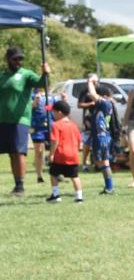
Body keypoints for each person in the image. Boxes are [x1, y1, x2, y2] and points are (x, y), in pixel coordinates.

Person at [1, 45, 50, 195]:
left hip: (20, 120)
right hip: (3, 120)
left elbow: (42, 83)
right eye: (16, 59)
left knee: (19, 152)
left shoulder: (26, 75)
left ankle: (21, 186)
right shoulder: (2, 76)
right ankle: (16, 185)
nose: (19, 61)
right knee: (11, 153)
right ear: (8, 59)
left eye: (21, 59)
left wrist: (45, 73)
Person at [82, 75, 118, 194]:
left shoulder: (105, 104)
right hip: (103, 135)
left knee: (103, 162)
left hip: (101, 137)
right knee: (103, 161)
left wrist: (90, 81)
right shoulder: (105, 105)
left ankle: (109, 187)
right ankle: (109, 186)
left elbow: (92, 93)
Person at [45, 100, 84, 203]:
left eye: (54, 112)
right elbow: (79, 140)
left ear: (59, 112)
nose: (53, 114)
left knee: (53, 174)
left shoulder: (56, 125)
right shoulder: (74, 125)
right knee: (74, 176)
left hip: (60, 155)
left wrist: (51, 154)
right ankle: (79, 197)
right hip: (73, 155)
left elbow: (55, 141)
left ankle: (56, 195)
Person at [30, 86, 51, 184]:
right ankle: (39, 175)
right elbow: (29, 108)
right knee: (39, 152)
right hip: (37, 128)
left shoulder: (48, 96)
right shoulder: (31, 95)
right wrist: (35, 101)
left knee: (54, 149)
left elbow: (49, 109)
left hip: (49, 126)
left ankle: (56, 172)